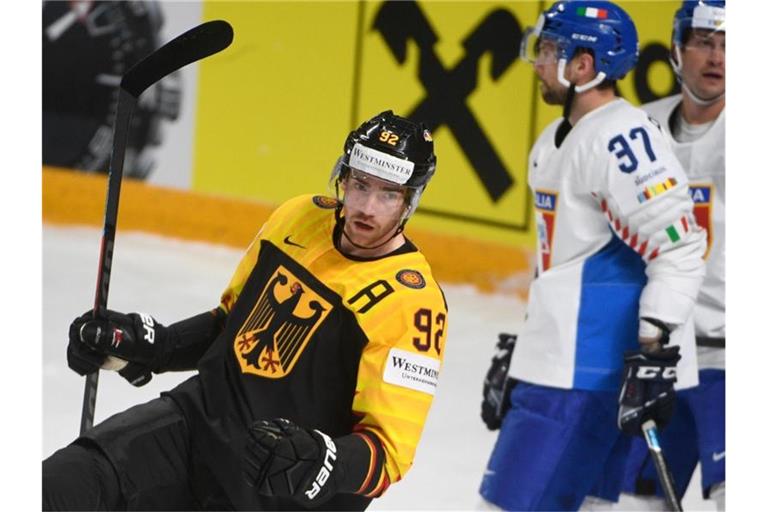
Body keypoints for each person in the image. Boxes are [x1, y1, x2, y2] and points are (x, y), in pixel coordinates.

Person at [43, 110, 449, 511]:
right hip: (193, 429)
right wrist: (157, 345)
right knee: (54, 489)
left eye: (388, 194)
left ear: (410, 200)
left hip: (269, 494)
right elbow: (230, 325)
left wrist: (325, 460)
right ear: (343, 177)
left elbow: (389, 453)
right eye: (359, 185)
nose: (367, 207)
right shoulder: (301, 217)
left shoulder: (412, 304)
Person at [478, 2, 707, 510]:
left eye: (551, 50)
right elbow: (563, 262)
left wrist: (653, 354)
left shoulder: (621, 137)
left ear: (584, 66)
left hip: (588, 379)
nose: (538, 61)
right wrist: (525, 346)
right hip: (565, 367)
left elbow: (681, 245)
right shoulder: (557, 137)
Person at [617, 2, 726, 510]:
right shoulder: (639, 130)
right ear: (678, 48)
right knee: (632, 502)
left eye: (731, 46)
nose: (717, 56)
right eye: (705, 40)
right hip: (661, 361)